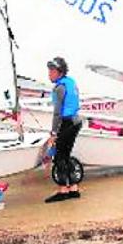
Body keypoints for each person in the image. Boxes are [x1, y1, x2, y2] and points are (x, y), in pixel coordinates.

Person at [45, 57, 82, 203]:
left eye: (51, 71)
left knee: (59, 156)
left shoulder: (60, 88)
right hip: (76, 121)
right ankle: (73, 188)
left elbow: (57, 113)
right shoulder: (71, 82)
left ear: (59, 72)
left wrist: (54, 133)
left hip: (67, 123)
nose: (49, 74)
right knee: (66, 155)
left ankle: (63, 190)